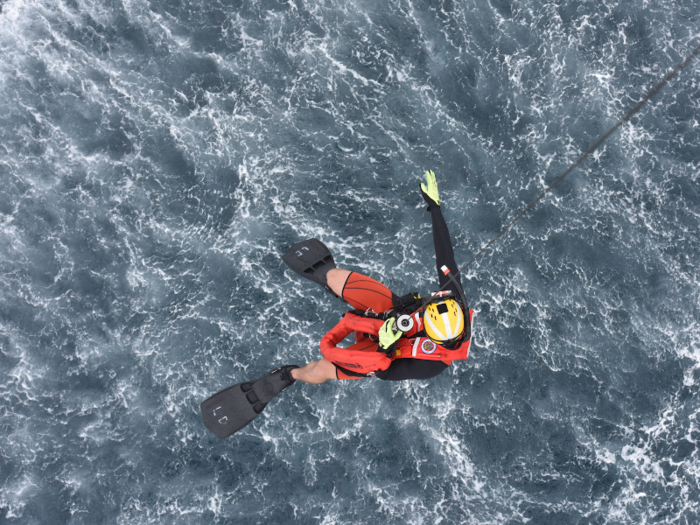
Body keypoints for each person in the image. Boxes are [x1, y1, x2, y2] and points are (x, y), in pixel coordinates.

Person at [285, 170, 474, 385]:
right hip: (392, 313)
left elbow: (385, 373)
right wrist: (434, 207)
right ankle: (332, 285)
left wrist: (385, 344)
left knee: (321, 368)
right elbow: (445, 253)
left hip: (385, 353)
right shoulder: (454, 303)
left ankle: (292, 374)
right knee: (335, 276)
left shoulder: (431, 365)